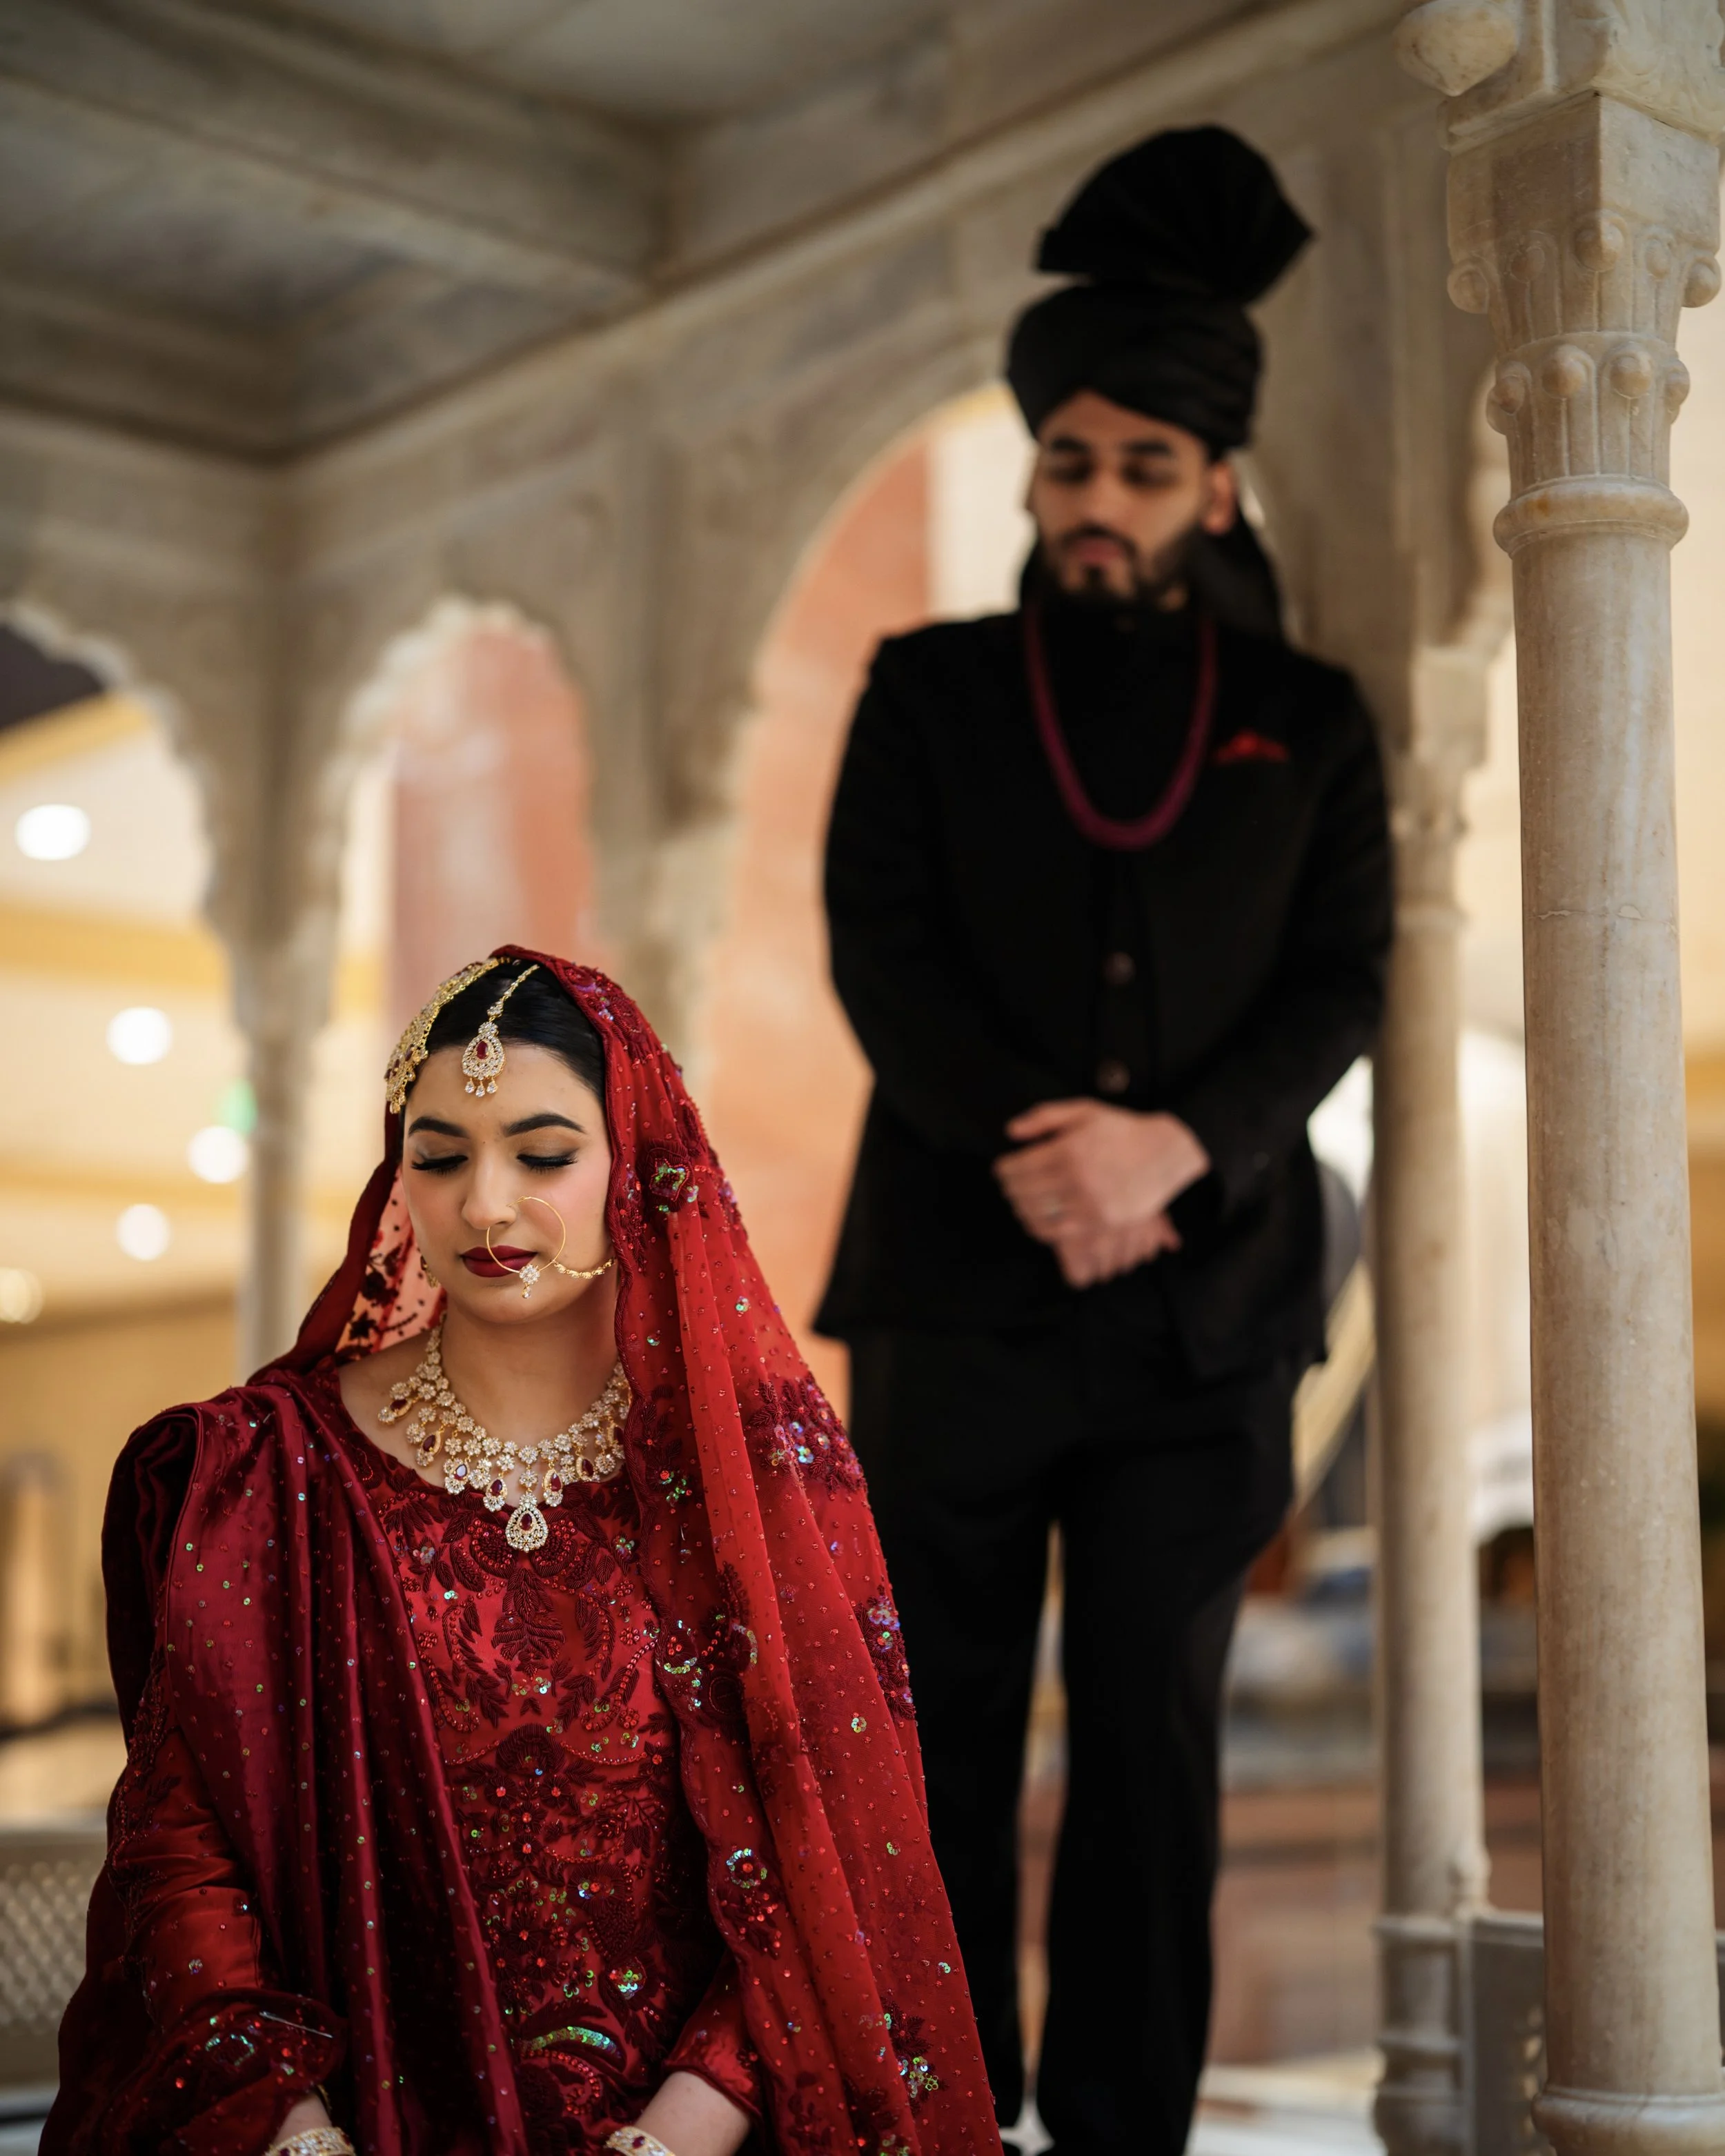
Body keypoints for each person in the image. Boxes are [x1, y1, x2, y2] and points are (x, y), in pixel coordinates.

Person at [818, 128, 1393, 2156]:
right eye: (1070, 463)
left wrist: (1177, 1151)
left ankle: (1128, 2131)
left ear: (1209, 486)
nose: (1098, 504)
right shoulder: (926, 689)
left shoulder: (1310, 719)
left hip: (1203, 1325)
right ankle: (940, 2120)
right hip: (955, 1308)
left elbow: (1341, 977)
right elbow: (876, 953)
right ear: (1034, 472)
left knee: (1152, 1752)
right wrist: (1042, 1152)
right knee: (933, 1745)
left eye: (1143, 470)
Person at [47, 951, 1001, 2156]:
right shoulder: (258, 1477)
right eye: (439, 1158)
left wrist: (677, 2137)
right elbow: (181, 1858)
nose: (486, 1206)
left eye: (542, 1156)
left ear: (639, 1171)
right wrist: (291, 2130)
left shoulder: (750, 1488)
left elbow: (828, 1866)